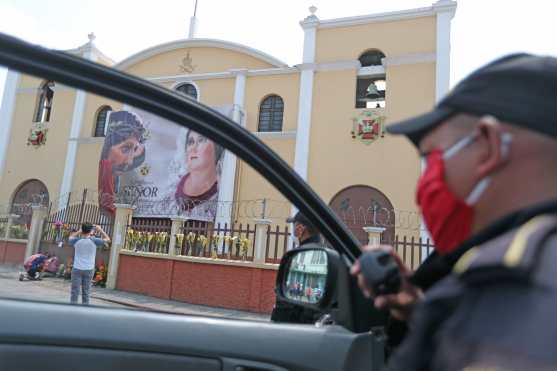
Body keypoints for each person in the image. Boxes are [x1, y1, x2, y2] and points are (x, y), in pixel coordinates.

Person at [351, 53, 557, 370]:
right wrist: (419, 308)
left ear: (488, 146)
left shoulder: (515, 288)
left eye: (432, 156)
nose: (427, 179)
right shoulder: (496, 284)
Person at [271, 212, 323, 323]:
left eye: (294, 225)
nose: (293, 229)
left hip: (295, 326)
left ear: (300, 229)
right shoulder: (324, 253)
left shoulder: (297, 257)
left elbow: (284, 302)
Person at [98, 111, 146, 215]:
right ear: (108, 146)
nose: (129, 161)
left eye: (134, 149)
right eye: (125, 149)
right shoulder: (107, 173)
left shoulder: (131, 178)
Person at [174, 130, 225, 220]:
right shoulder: (172, 190)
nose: (194, 148)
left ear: (216, 149)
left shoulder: (221, 195)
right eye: (190, 142)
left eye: (201, 140)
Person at [69, 223, 111, 305]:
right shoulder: (94, 240)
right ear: (91, 230)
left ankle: (72, 309)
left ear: (82, 230)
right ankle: (85, 309)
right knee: (86, 291)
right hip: (89, 269)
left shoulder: (76, 240)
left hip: (77, 268)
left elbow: (70, 238)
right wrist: (100, 229)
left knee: (75, 291)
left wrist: (79, 231)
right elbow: (108, 239)